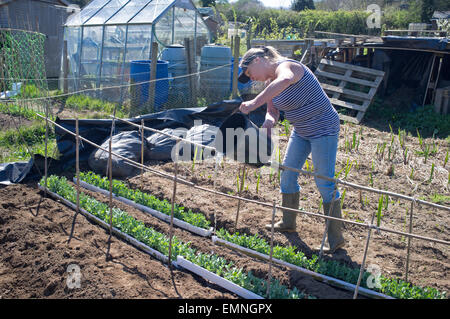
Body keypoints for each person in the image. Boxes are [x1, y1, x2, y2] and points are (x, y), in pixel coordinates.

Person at [237, 46, 345, 254]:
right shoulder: (269, 85)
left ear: (259, 60)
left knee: (324, 182)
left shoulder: (288, 67)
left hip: (323, 128)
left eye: (250, 72)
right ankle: (288, 222)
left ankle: (335, 241)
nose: (251, 79)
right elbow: (272, 113)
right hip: (301, 130)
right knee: (287, 175)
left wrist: (252, 103)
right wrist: (266, 128)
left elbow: (285, 80)